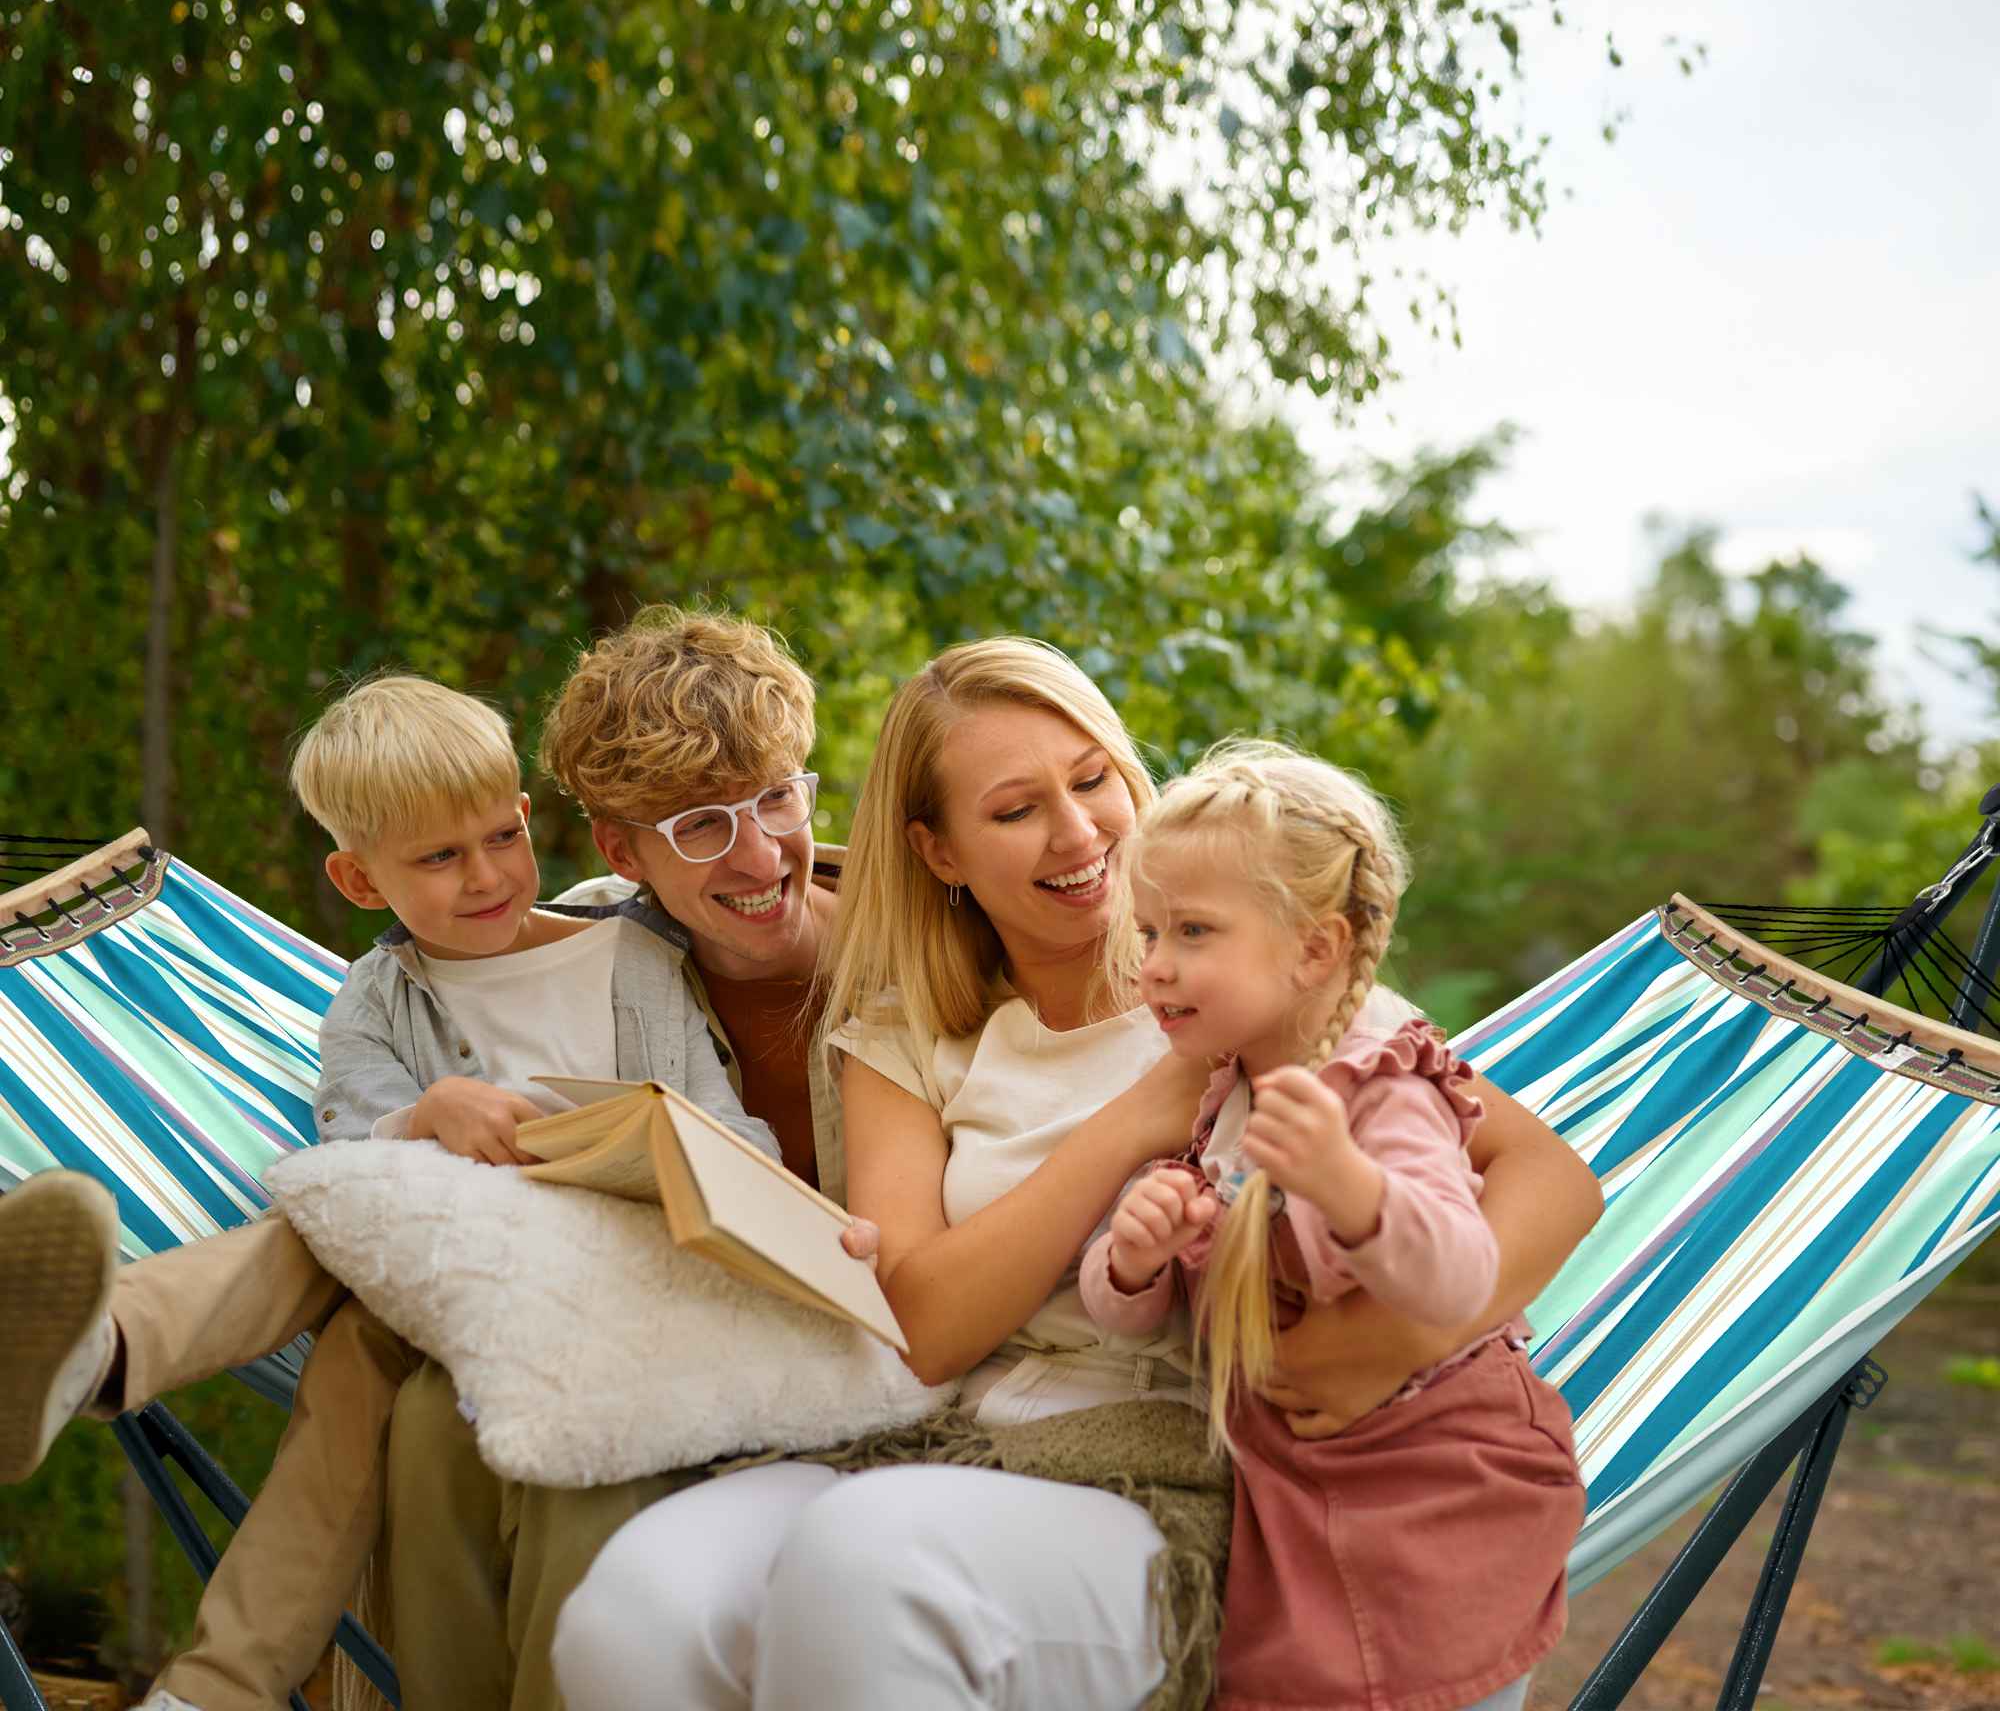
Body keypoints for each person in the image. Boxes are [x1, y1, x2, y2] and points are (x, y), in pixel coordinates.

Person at [552, 637, 1603, 1711]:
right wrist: (1126, 1125)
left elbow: (1551, 1177)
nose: (1077, 830)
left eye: (1092, 777)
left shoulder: (1246, 981)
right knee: (637, 1608)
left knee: (874, 1561)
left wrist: (1398, 1338)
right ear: (940, 851)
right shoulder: (904, 1040)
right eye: (1013, 810)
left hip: (1169, 1464)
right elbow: (923, 1322)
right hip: (938, 1436)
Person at [0, 672, 771, 1711]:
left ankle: (106, 1361)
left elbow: (729, 1136)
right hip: (446, 1285)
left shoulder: (630, 956)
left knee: (340, 1313)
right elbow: (352, 1145)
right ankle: (80, 1363)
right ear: (360, 881)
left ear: (527, 817)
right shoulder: (371, 1000)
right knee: (336, 1236)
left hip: (619, 1275)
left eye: (499, 835)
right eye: (438, 857)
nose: (485, 873)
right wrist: (426, 1113)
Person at [374, 608, 856, 1711]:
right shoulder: (581, 949)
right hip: (637, 1304)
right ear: (619, 849)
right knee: (430, 1416)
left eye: (774, 796)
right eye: (696, 825)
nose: (754, 853)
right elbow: (418, 1002)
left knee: (581, 1454)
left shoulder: (916, 952)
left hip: (830, 1350)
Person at [1079, 740, 1584, 1711]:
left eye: (1190, 930)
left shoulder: (1381, 1088)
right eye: (1146, 932)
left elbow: (1455, 1277)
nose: (1153, 966)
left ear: (1313, 947)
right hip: (1302, 1484)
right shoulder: (1229, 1083)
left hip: (1435, 1481)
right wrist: (1132, 1260)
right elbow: (1131, 1311)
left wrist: (1350, 1189)